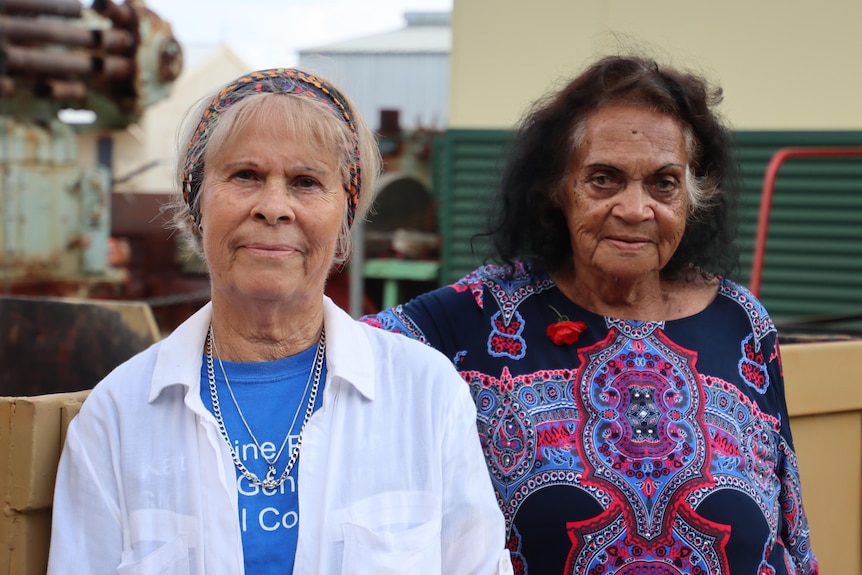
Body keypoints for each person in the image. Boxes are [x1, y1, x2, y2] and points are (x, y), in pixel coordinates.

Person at [362, 55, 819, 574]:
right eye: (604, 179)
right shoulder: (474, 318)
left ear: (693, 196)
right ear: (557, 189)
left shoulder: (743, 322)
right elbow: (331, 358)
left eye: (663, 184)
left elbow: (792, 529)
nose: (635, 208)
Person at [47, 68, 512, 574]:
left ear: (344, 220)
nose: (274, 207)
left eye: (306, 182)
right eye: (245, 175)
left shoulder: (426, 395)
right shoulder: (117, 416)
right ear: (198, 204)